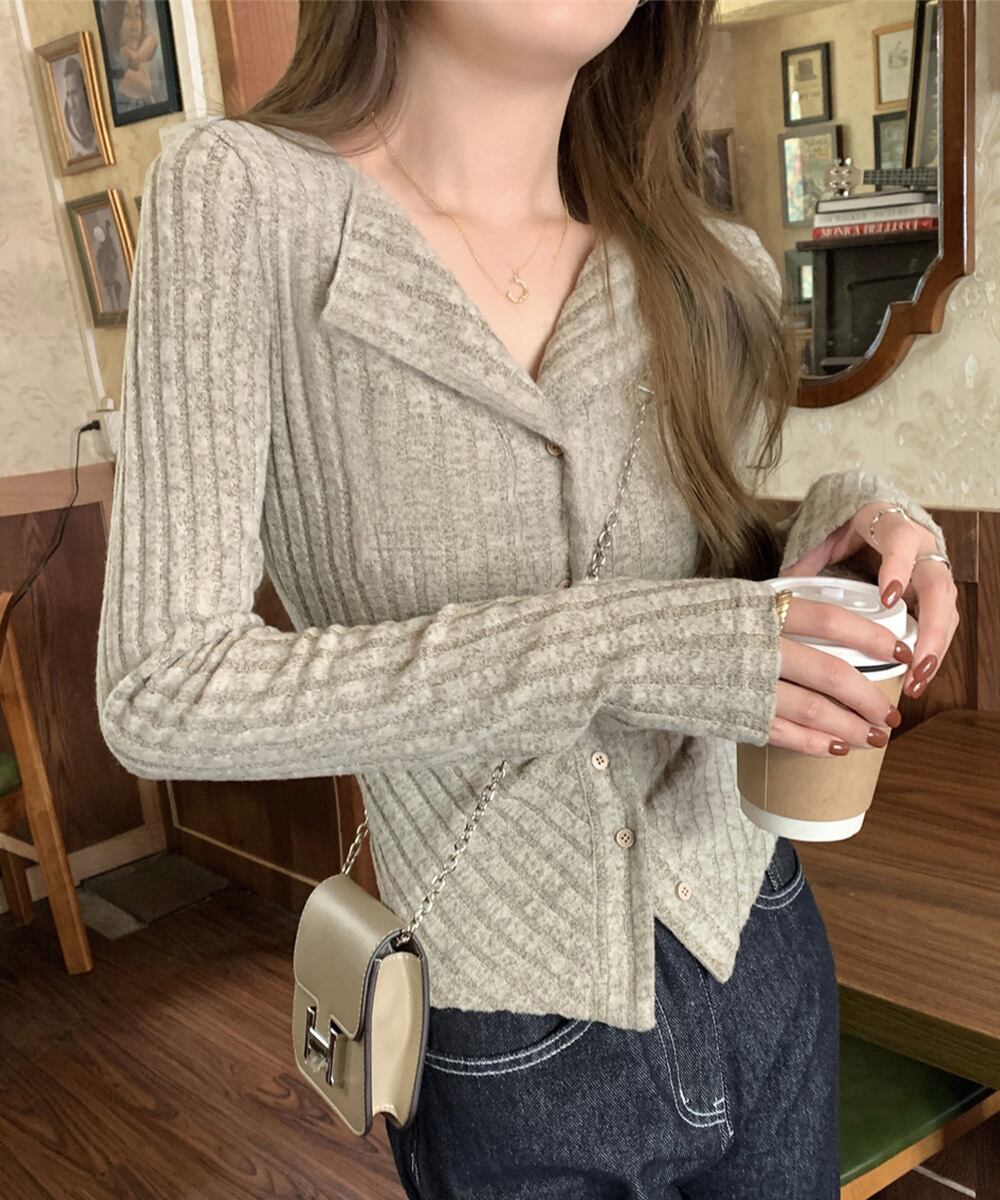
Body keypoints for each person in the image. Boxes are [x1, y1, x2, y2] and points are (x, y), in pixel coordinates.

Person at [95, 2, 959, 1196]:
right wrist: (631, 649)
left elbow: (718, 560)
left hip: (758, 947)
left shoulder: (705, 257)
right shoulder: (246, 202)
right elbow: (162, 694)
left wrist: (857, 514)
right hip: (507, 1034)